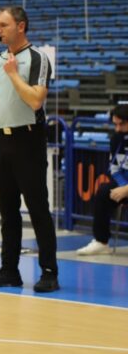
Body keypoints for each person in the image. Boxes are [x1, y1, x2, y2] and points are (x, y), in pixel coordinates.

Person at [0, 6, 59, 293]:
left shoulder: (38, 58)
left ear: (21, 26)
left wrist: (14, 74)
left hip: (29, 140)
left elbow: (36, 100)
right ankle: (9, 269)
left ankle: (49, 271)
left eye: (3, 25)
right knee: (8, 211)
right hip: (3, 140)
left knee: (38, 209)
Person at [76, 104, 128, 255]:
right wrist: (124, 187)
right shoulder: (116, 139)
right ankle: (101, 242)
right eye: (115, 124)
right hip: (124, 184)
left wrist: (126, 190)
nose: (118, 129)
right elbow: (115, 169)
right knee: (104, 191)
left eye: (122, 124)